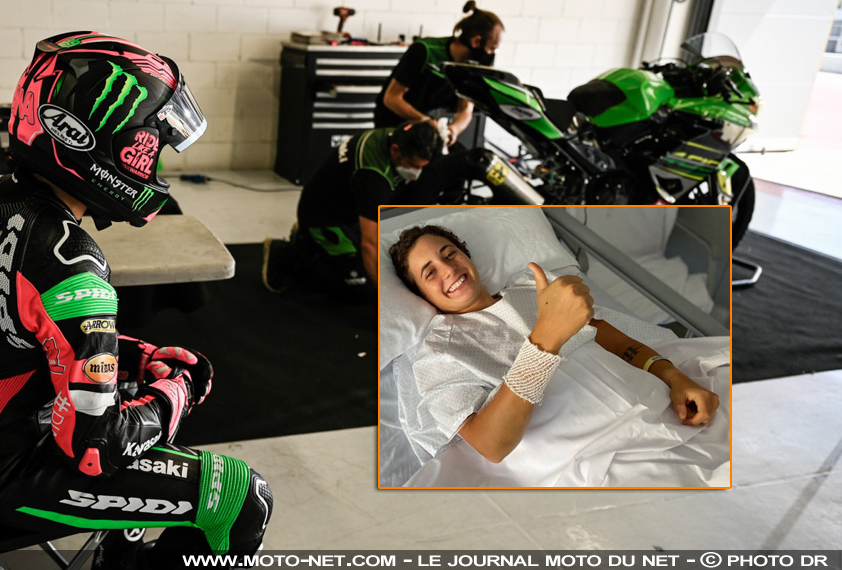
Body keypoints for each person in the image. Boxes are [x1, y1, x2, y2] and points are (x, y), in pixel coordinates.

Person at [0, 32, 271, 568]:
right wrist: (179, 391)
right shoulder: (70, 265)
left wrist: (133, 355)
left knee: (136, 394)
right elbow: (96, 449)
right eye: (151, 146)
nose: (153, 165)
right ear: (101, 143)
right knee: (241, 499)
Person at [388, 225, 721, 468]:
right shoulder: (438, 355)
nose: (448, 269)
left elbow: (610, 339)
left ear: (466, 255)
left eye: (450, 254)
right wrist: (544, 341)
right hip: (600, 454)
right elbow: (491, 445)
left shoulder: (532, 288)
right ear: (421, 296)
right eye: (430, 273)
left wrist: (675, 378)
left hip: (664, 406)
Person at [261, 120, 442, 298]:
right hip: (323, 219)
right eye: (413, 165)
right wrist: (386, 298)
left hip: (350, 213)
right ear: (395, 151)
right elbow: (369, 245)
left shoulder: (399, 136)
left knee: (387, 258)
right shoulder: (372, 176)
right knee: (360, 284)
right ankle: (285, 255)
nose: (417, 172)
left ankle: (308, 241)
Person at [374, 1, 503, 143]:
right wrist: (425, 121)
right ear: (476, 41)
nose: (492, 55)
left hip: (425, 124)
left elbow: (466, 109)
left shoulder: (472, 67)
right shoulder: (425, 51)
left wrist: (453, 130)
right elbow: (391, 98)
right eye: (492, 48)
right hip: (393, 121)